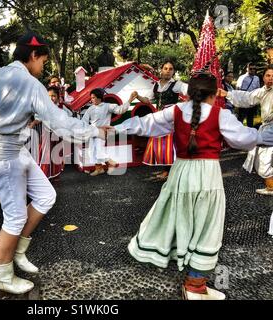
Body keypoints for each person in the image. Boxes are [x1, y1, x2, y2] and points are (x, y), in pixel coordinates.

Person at [0, 32, 107, 294]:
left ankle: (18, 251)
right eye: (43, 61)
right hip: (4, 155)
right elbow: (61, 123)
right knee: (16, 216)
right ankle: (2, 274)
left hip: (10, 150)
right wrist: (95, 131)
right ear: (33, 55)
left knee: (45, 196)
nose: (43, 68)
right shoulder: (30, 85)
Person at [113, 71, 273, 300]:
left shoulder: (176, 111)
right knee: (208, 227)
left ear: (190, 92)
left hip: (180, 173)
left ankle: (192, 279)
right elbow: (245, 138)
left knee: (180, 218)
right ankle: (195, 284)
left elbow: (144, 124)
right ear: (213, 93)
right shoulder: (221, 114)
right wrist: (262, 136)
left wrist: (111, 129)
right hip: (207, 175)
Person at [220, 65, 273, 195]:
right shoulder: (263, 91)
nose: (271, 78)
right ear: (263, 77)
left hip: (270, 130)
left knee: (261, 155)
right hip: (268, 128)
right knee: (261, 159)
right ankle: (271, 187)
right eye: (268, 75)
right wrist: (227, 94)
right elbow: (248, 98)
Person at [137, 61, 188, 180]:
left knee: (171, 144)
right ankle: (167, 170)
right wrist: (137, 96)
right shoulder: (156, 85)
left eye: (170, 69)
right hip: (159, 116)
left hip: (171, 118)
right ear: (161, 70)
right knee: (162, 144)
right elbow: (147, 100)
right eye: (165, 68)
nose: (168, 71)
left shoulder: (177, 84)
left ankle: (169, 171)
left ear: (173, 71)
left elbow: (190, 91)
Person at [82, 88, 138, 176]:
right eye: (91, 98)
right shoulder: (90, 109)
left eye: (93, 98)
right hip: (92, 131)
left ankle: (110, 162)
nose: (91, 100)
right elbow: (84, 121)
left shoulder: (107, 106)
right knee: (91, 151)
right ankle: (99, 168)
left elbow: (121, 110)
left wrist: (130, 100)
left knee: (99, 149)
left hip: (103, 131)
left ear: (99, 97)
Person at [236, 62, 261, 127]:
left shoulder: (256, 78)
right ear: (247, 69)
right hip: (244, 101)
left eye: (254, 69)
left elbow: (258, 89)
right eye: (251, 68)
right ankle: (238, 132)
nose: (253, 70)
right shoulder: (242, 77)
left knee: (250, 118)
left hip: (252, 101)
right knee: (241, 118)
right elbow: (238, 89)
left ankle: (250, 133)